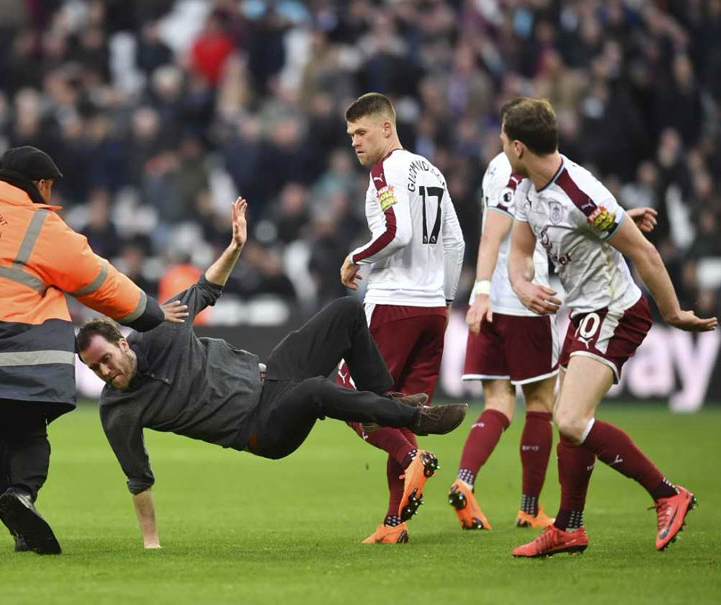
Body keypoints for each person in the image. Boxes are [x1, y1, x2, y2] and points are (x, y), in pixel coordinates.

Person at [76, 197, 468, 549]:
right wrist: (151, 544)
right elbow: (138, 478)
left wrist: (235, 248)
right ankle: (417, 418)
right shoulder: (118, 411)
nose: (104, 371)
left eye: (105, 359)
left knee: (345, 312)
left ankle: (390, 406)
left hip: (272, 378)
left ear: (123, 342)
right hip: (260, 429)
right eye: (95, 369)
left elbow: (205, 289)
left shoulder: (162, 329)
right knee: (316, 390)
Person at [0, 146, 187, 555]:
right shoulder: (37, 224)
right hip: (5, 344)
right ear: (43, 184)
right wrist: (149, 313)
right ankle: (23, 494)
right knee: (27, 431)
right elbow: (98, 279)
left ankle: (21, 529)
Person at [499, 98, 716, 557]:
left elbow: (645, 254)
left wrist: (673, 314)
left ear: (518, 146)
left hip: (615, 309)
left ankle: (667, 493)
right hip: (585, 311)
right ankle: (569, 528)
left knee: (572, 418)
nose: (500, 148)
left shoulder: (581, 194)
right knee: (570, 424)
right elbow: (519, 252)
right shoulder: (526, 188)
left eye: (503, 141)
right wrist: (522, 286)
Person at [453, 153, 659, 531]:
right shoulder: (530, 173)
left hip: (489, 302)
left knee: (497, 403)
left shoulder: (495, 169)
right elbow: (521, 232)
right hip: (526, 301)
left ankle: (465, 479)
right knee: (541, 404)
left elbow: (552, 223)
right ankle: (529, 508)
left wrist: (480, 292)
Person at [338, 93, 465, 543]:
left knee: (348, 394)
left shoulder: (385, 170)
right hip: (432, 309)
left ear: (387, 128)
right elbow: (456, 243)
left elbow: (397, 232)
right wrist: (445, 302)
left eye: (361, 132)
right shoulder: (430, 171)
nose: (355, 142)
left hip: (394, 304)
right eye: (351, 134)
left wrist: (355, 257)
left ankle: (413, 459)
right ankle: (395, 524)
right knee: (402, 413)